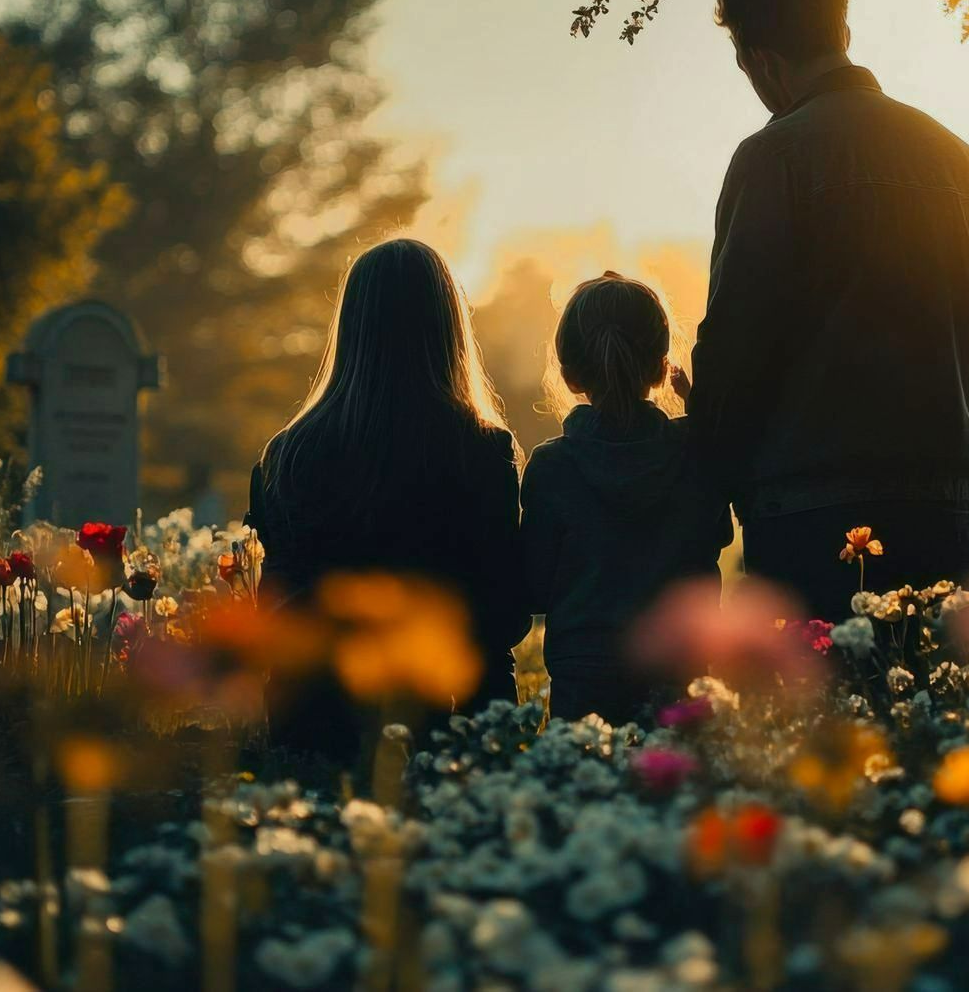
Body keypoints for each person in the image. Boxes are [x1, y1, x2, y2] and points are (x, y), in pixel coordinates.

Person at [691, 0, 969, 620]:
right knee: (931, 707)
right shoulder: (960, 160)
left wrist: (706, 455)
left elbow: (737, 338)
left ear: (762, 60)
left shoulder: (772, 157)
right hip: (941, 497)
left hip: (810, 505)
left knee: (821, 712)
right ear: (840, 34)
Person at [245, 238, 525, 765]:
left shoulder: (289, 455)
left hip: (317, 729)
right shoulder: (483, 451)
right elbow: (502, 615)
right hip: (449, 728)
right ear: (449, 328)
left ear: (350, 326)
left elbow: (279, 615)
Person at [521, 273, 731, 722]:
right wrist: (702, 425)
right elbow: (716, 535)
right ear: (661, 368)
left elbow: (535, 590)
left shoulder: (552, 468)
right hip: (681, 675)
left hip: (584, 683)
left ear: (570, 375)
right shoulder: (699, 454)